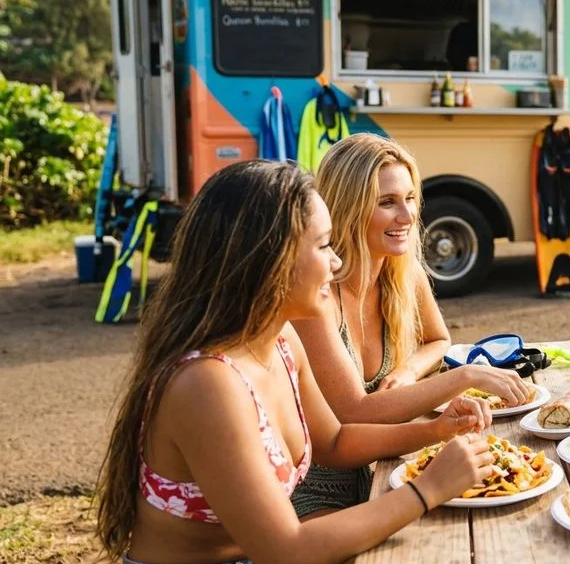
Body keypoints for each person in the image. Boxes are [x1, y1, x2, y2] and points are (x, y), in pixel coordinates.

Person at [95, 161, 496, 563]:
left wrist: (440, 430)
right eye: (323, 246)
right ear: (270, 260)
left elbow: (336, 442)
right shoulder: (206, 383)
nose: (336, 263)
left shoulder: (282, 338)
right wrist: (426, 490)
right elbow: (286, 550)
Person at [290, 133, 527, 518]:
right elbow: (355, 412)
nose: (408, 215)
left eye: (410, 198)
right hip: (315, 494)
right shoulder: (316, 294)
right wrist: (464, 376)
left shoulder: (401, 269)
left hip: (383, 470)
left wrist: (407, 369)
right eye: (387, 202)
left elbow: (437, 339)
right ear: (348, 208)